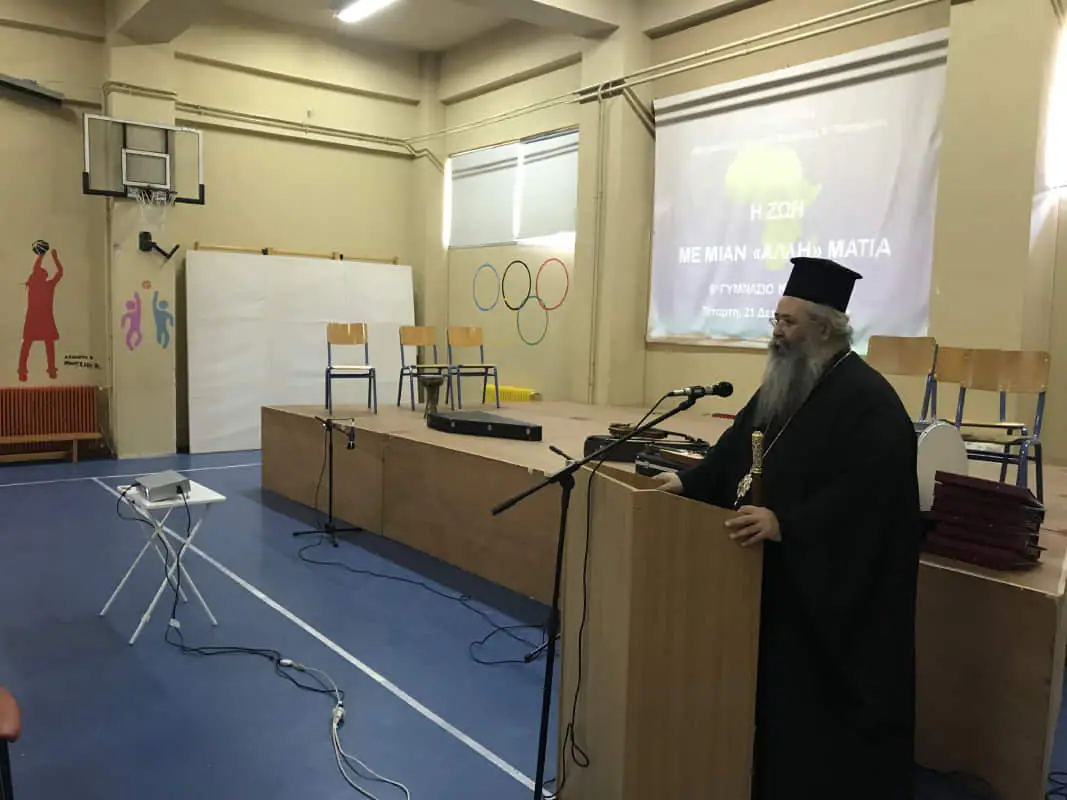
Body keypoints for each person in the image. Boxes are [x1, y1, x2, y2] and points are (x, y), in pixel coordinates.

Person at [656, 257, 921, 800]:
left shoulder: (870, 402)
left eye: (788, 322)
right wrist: (688, 482)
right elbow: (736, 446)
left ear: (823, 329)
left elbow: (871, 500)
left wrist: (789, 525)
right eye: (775, 319)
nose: (776, 332)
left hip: (825, 598)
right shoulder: (787, 382)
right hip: (765, 576)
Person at [18, 242, 64, 382]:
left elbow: (36, 268)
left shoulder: (33, 285)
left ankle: (22, 370)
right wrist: (55, 258)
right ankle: (51, 369)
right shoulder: (48, 286)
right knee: (48, 344)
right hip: (45, 319)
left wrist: (42, 255)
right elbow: (60, 273)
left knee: (27, 344)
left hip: (33, 319)